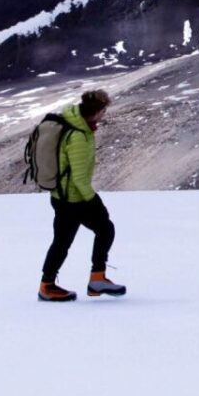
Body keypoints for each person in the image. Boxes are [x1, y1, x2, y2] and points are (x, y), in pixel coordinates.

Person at [36, 89, 126, 302]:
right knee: (103, 229)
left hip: (63, 197)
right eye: (103, 111)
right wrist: (94, 200)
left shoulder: (76, 126)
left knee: (63, 241)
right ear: (96, 112)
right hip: (73, 199)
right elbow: (78, 177)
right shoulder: (78, 135)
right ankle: (95, 279)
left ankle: (49, 285)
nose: (104, 115)